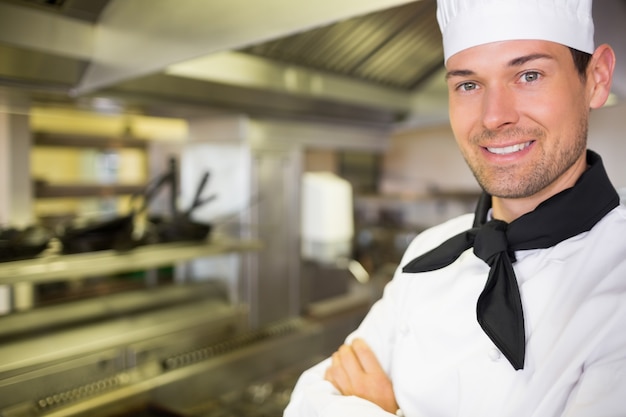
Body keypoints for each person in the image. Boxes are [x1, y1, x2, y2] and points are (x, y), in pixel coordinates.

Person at [283, 0, 626, 415]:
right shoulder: (430, 250)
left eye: (529, 75)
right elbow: (310, 400)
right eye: (468, 84)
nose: (494, 116)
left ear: (596, 78)